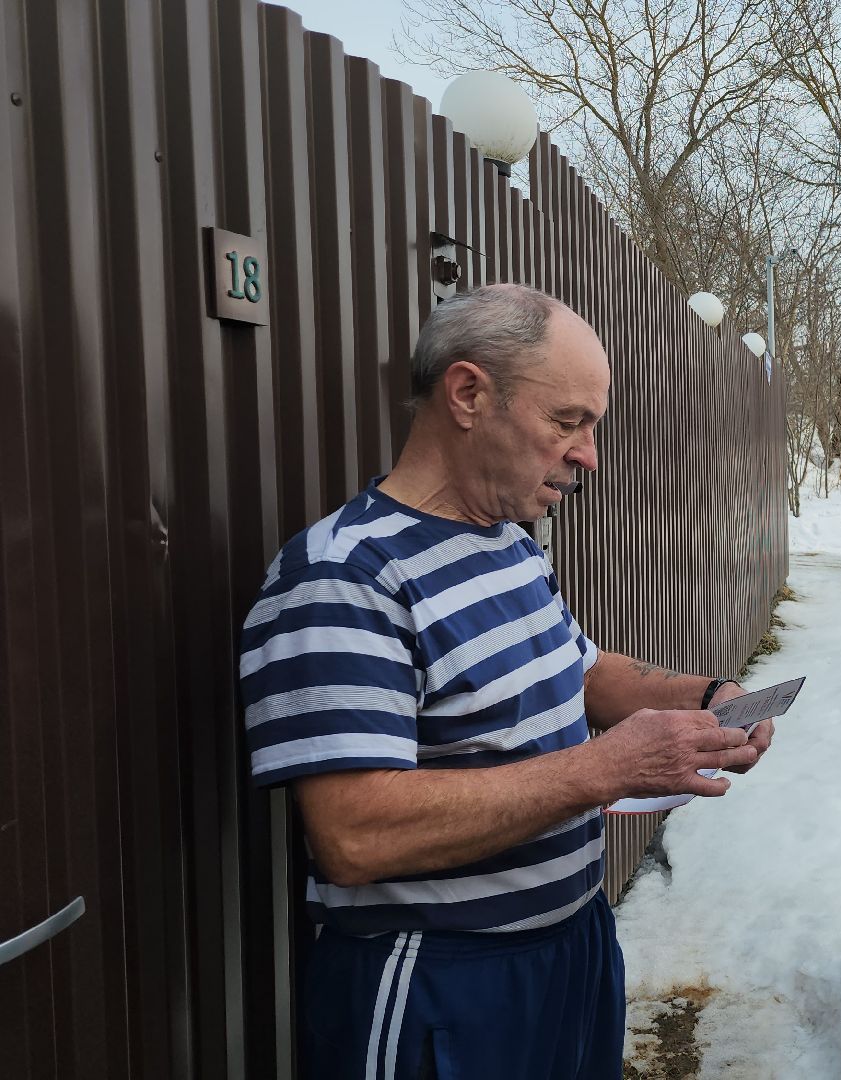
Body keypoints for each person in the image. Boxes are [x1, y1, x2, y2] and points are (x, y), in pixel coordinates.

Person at [239, 284, 773, 1080]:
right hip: (439, 982)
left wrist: (708, 696)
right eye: (568, 422)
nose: (589, 453)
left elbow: (583, 670)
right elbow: (355, 835)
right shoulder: (344, 576)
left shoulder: (507, 544)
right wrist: (605, 769)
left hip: (569, 950)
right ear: (467, 393)